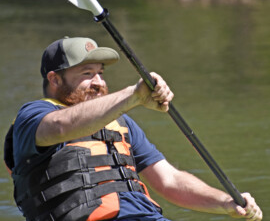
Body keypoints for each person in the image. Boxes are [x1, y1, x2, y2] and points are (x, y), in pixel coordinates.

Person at [4, 36, 262, 221]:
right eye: (87, 74)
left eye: (100, 73)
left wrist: (225, 202)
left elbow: (170, 181)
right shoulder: (34, 116)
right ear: (55, 79)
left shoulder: (122, 124)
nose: (98, 82)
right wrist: (132, 95)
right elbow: (61, 128)